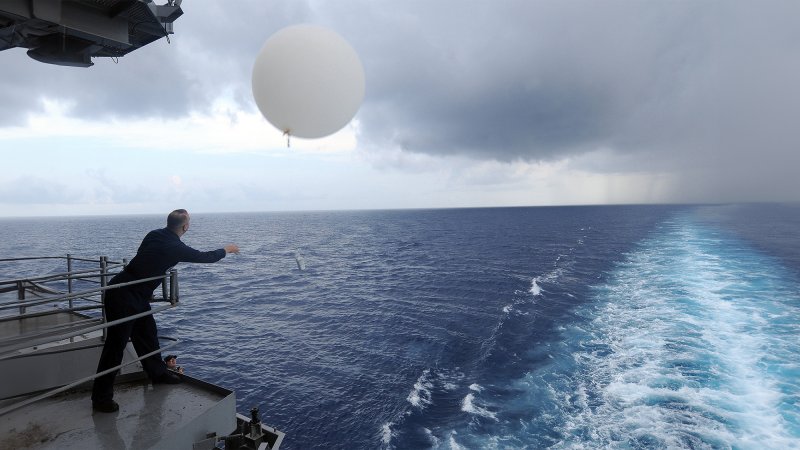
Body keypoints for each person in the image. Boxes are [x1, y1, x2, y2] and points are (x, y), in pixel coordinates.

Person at [91, 209, 239, 413]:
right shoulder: (175, 247)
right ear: (185, 226)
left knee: (147, 335)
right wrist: (227, 249)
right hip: (125, 297)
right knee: (115, 346)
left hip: (130, 291)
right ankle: (101, 398)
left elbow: (146, 260)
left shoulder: (154, 234)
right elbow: (207, 257)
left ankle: (158, 374)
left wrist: (148, 288)